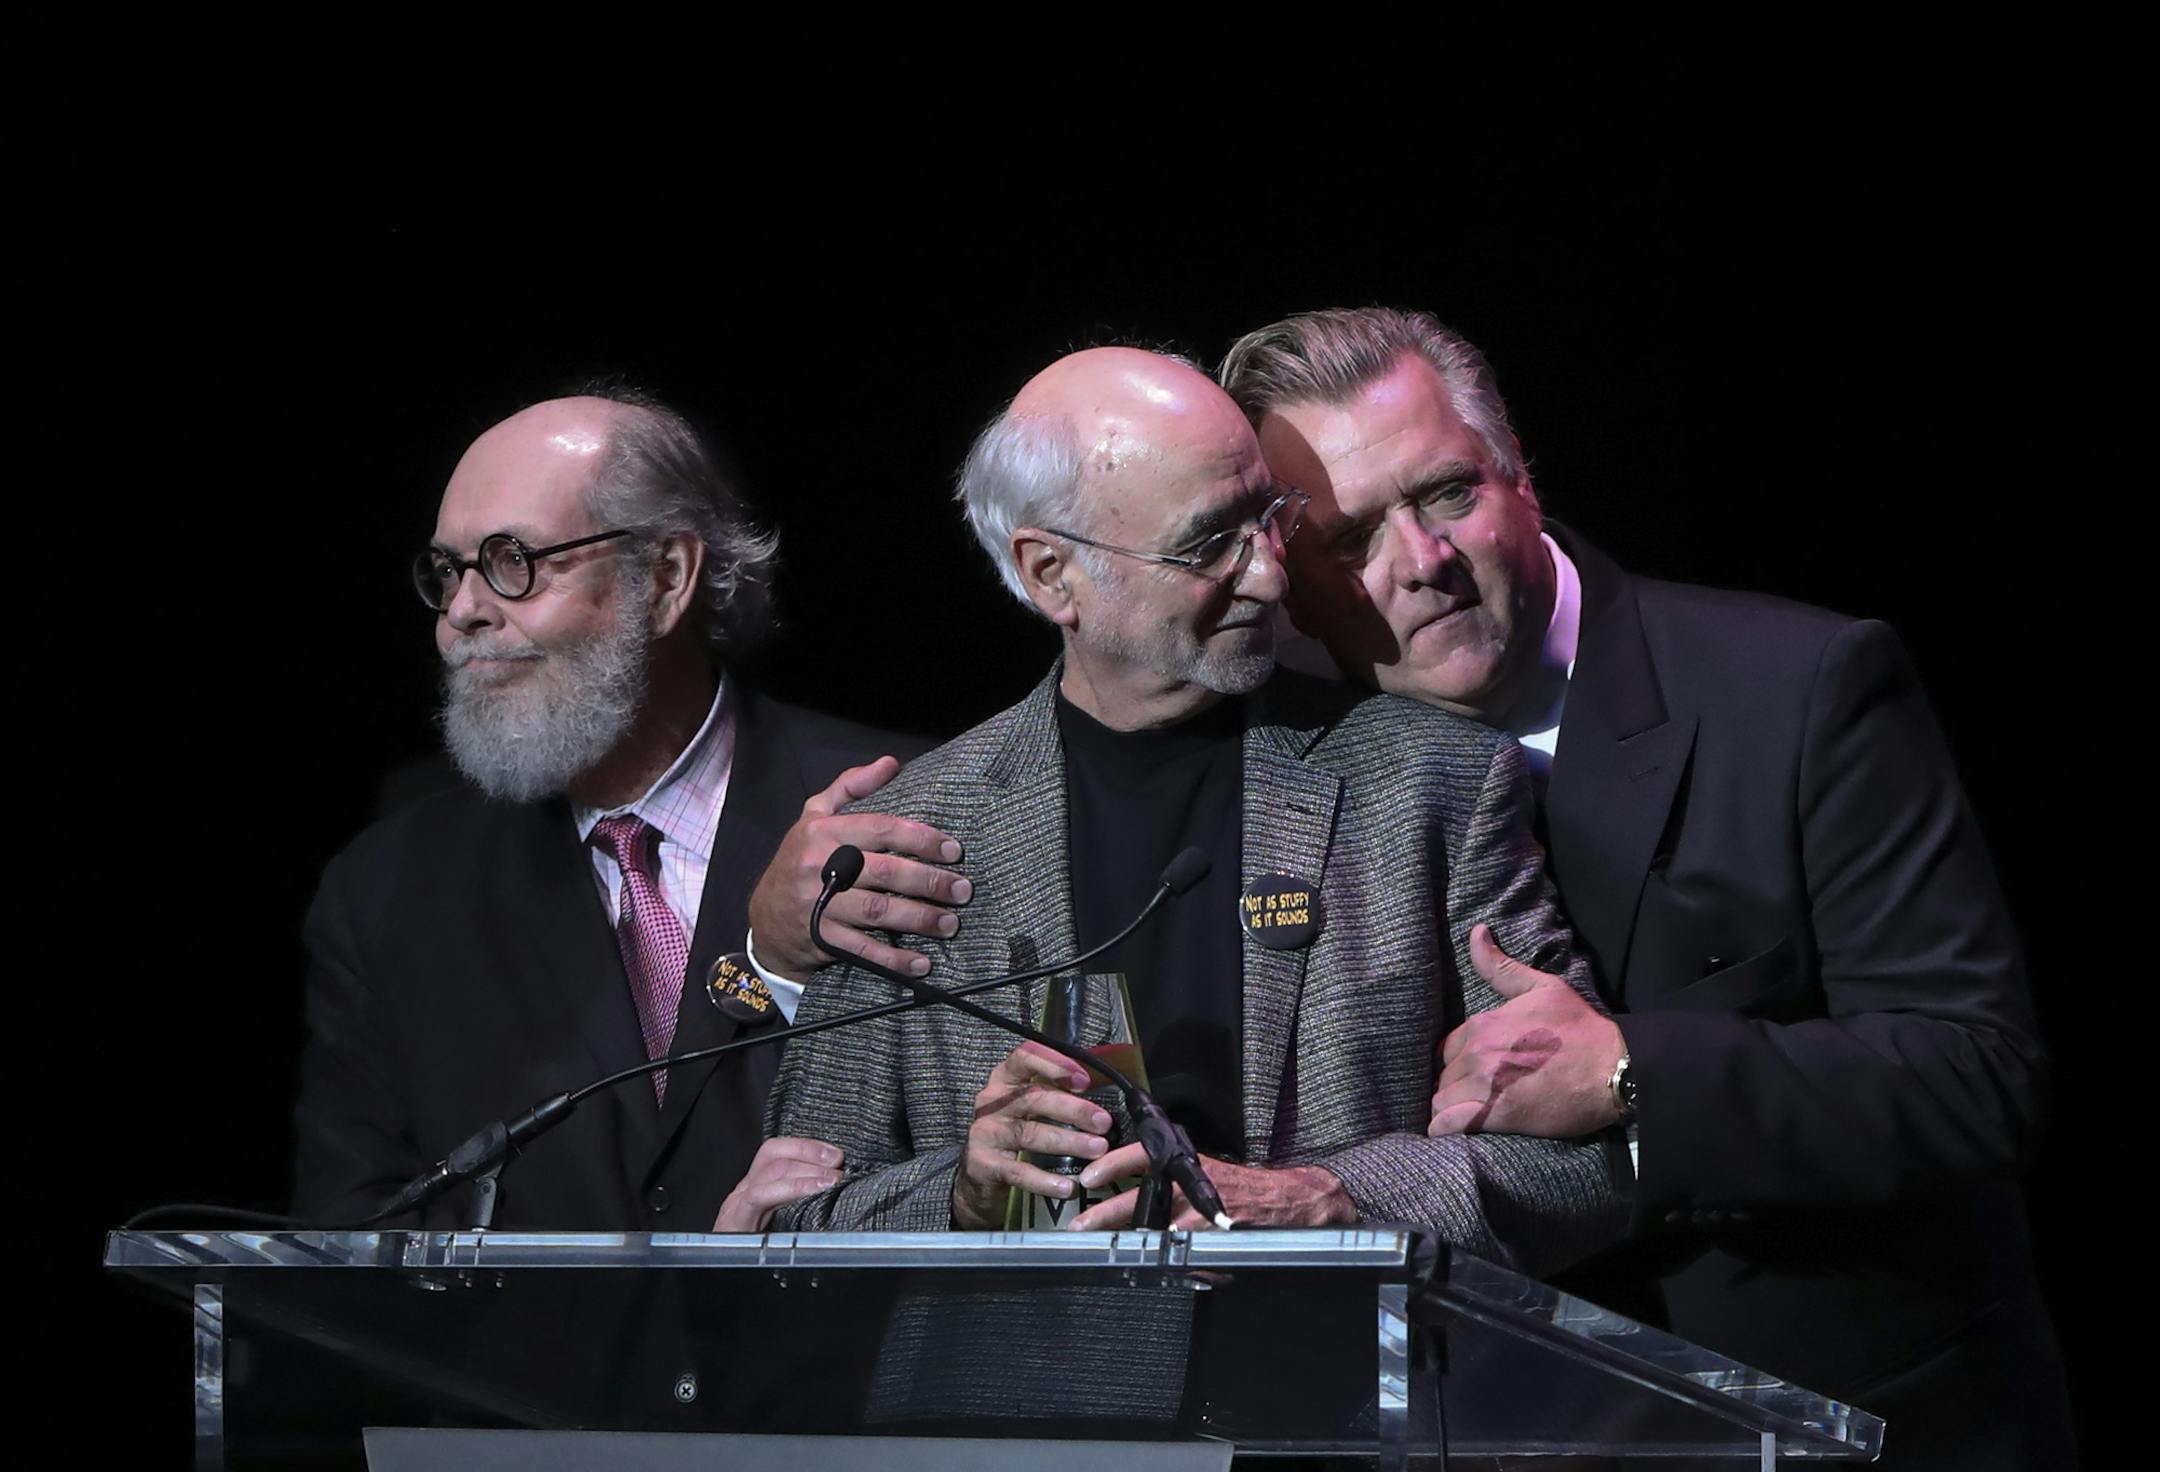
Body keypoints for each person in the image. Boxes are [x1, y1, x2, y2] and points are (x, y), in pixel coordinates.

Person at [1223, 306, 2104, 1472]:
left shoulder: (1800, 687)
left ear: (1521, 475)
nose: (1418, 563)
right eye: (1350, 533)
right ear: (1288, 577)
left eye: (1446, 493)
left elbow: (1976, 1069)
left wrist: (1638, 1073)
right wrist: (777, 967)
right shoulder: (1272, 779)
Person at [761, 346, 1621, 1267]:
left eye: (1269, 518)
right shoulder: (910, 842)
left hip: (1332, 1389)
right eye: (1211, 544)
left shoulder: (1431, 784)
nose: (1270, 576)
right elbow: (788, 1222)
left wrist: (1334, 1204)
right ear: (1052, 574)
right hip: (1022, 1399)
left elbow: (1589, 1170)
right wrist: (966, 1199)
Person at [294, 386, 957, 1231]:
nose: (462, 612)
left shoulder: (898, 805)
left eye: (512, 561)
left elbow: (986, 1169)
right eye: (447, 571)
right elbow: (348, 1260)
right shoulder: (387, 893)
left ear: (668, 577)